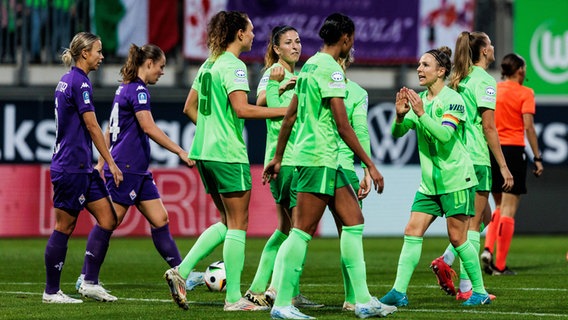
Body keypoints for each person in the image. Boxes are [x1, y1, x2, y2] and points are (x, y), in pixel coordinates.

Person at [263, 13, 396, 319]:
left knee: (353, 221)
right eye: (352, 39)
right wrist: (370, 164)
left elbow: (290, 116)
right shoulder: (332, 72)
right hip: (319, 157)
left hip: (326, 160)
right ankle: (282, 303)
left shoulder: (309, 65)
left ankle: (361, 300)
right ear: (346, 38)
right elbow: (343, 124)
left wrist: (279, 156)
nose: (352, 44)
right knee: (301, 231)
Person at [163, 10, 287, 312]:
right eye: (251, 30)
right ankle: (234, 299)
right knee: (239, 224)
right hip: (227, 153)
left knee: (226, 221)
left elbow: (188, 107)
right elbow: (243, 110)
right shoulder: (234, 66)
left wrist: (209, 128)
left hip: (204, 151)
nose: (255, 36)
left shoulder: (209, 63)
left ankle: (181, 270)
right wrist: (286, 111)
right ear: (239, 34)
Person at [74, 44, 195, 291]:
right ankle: (87, 278)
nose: (162, 72)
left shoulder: (124, 89)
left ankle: (183, 273)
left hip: (137, 171)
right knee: (109, 221)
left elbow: (110, 128)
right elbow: (148, 127)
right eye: (160, 67)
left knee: (160, 218)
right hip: (126, 168)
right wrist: (180, 151)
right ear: (148, 63)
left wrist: (101, 161)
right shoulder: (139, 91)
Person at [379, 46, 491, 307]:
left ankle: (480, 291)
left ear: (441, 71)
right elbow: (398, 134)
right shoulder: (421, 99)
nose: (419, 69)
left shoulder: (453, 100)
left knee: (458, 238)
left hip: (456, 180)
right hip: (429, 184)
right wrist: (399, 116)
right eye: (418, 64)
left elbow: (444, 136)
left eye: (425, 65)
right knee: (412, 230)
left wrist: (420, 113)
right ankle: (398, 291)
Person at [430, 31, 513, 300]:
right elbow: (488, 126)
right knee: (474, 226)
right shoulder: (486, 82)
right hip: (477, 157)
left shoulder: (458, 78)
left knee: (480, 219)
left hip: (458, 157)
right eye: (490, 43)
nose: (493, 46)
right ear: (483, 51)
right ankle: (468, 290)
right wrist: (503, 166)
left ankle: (446, 260)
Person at [244, 25, 323, 309]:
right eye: (288, 42)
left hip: (290, 157)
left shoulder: (296, 76)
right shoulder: (274, 72)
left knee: (286, 229)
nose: (295, 46)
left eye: (298, 41)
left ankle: (265, 288)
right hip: (286, 158)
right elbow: (261, 103)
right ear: (276, 48)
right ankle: (280, 289)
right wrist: (280, 84)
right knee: (298, 231)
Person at [43, 31, 122, 304]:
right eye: (98, 51)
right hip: (71, 166)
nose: (102, 56)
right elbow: (92, 126)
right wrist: (110, 162)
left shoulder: (67, 81)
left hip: (82, 167)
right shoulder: (80, 83)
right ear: (84, 53)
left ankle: (89, 282)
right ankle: (51, 292)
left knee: (109, 219)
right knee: (64, 226)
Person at [480, 53, 544, 275]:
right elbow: (529, 127)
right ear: (520, 70)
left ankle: (488, 247)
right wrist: (537, 156)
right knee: (509, 209)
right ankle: (499, 264)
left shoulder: (494, 89)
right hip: (514, 150)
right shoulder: (525, 92)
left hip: (493, 149)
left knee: (498, 204)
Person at [333, 50, 373, 312]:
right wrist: (369, 168)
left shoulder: (312, 78)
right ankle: (358, 298)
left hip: (322, 165)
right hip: (335, 167)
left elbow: (360, 131)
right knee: (351, 231)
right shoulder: (356, 93)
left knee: (295, 232)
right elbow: (358, 129)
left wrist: (367, 168)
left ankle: (282, 295)